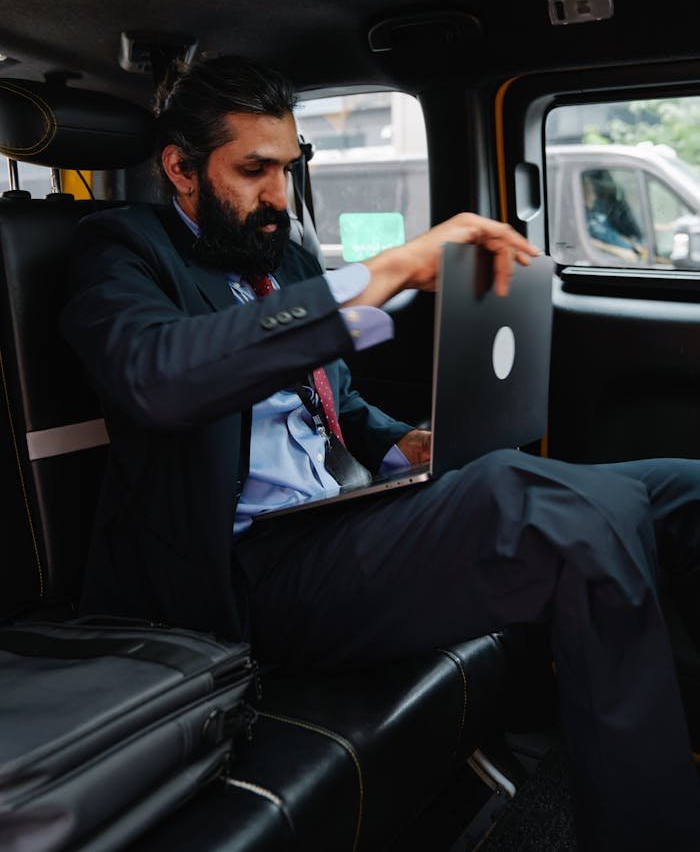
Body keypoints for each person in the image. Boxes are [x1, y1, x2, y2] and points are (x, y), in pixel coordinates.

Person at [60, 55, 700, 852]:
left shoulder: (280, 255)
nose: (277, 198)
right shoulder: (119, 249)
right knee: (558, 511)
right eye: (253, 171)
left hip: (345, 514)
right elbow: (158, 377)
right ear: (181, 171)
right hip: (250, 572)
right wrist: (391, 267)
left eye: (288, 170)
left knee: (678, 488)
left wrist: (399, 443)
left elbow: (336, 402)